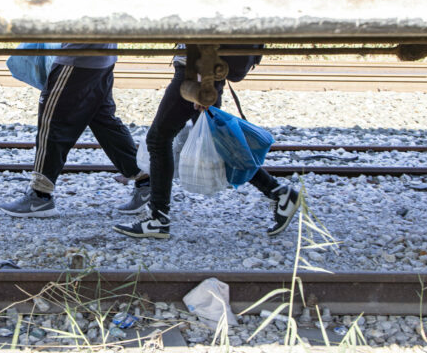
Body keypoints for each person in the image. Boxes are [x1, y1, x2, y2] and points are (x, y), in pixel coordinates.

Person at [112, 45, 300, 239]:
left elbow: (208, 30)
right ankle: (279, 193)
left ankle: (158, 219)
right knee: (218, 145)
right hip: (201, 69)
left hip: (196, 71)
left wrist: (203, 82)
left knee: (158, 140)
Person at [0, 43, 151, 217]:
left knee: (52, 123)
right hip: (101, 58)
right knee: (104, 122)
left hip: (78, 58)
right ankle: (146, 181)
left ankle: (39, 195)